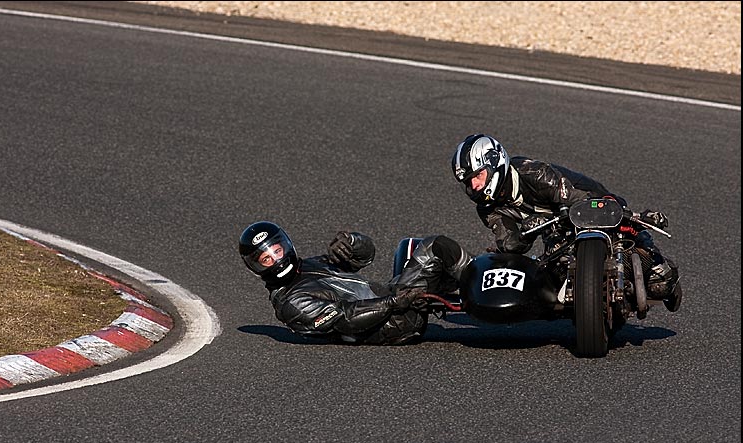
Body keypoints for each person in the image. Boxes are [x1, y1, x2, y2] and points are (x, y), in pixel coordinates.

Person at [450, 133, 682, 312]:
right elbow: (511, 245)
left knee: (659, 282)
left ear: (494, 163)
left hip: (593, 204)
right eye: (468, 183)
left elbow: (576, 200)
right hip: (558, 231)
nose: (474, 187)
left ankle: (655, 256)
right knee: (555, 272)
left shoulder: (533, 173)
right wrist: (529, 232)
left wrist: (633, 216)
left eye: (477, 176)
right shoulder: (488, 208)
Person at [239, 221, 471, 344]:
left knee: (408, 246)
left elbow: (365, 256)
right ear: (256, 268)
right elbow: (346, 318)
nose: (277, 260)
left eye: (277, 251)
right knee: (434, 246)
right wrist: (393, 302)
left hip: (391, 298)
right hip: (392, 324)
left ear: (286, 245)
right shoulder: (291, 303)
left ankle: (476, 284)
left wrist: (352, 243)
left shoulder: (309, 266)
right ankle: (480, 282)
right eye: (266, 259)